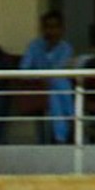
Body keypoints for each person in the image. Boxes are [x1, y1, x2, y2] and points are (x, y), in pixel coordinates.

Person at [19, 10, 75, 144]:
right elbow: (23, 69)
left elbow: (60, 69)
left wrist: (48, 77)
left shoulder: (66, 48)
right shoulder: (34, 46)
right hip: (37, 86)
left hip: (54, 88)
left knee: (55, 91)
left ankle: (60, 137)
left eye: (55, 27)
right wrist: (39, 77)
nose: (52, 31)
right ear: (43, 29)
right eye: (48, 27)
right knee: (57, 84)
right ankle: (71, 119)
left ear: (62, 29)